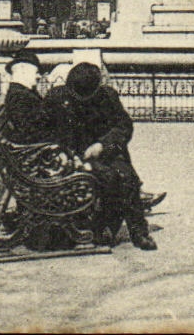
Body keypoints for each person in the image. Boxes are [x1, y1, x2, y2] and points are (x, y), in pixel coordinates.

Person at [47, 61, 157, 251]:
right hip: (73, 156)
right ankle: (103, 228)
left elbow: (124, 127)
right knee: (108, 178)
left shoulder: (108, 96)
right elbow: (48, 132)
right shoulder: (56, 99)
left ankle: (139, 231)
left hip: (105, 153)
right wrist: (69, 154)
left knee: (127, 178)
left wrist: (103, 145)